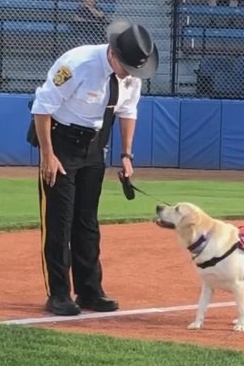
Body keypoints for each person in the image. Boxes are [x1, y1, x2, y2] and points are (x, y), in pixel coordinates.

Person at [29, 20, 158, 316]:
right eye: (126, 67)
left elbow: (128, 111)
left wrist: (126, 155)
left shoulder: (131, 75)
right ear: (113, 52)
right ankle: (59, 293)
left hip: (95, 147)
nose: (130, 74)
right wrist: (48, 155)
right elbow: (42, 108)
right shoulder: (77, 64)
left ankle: (90, 291)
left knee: (87, 223)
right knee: (59, 222)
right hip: (61, 143)